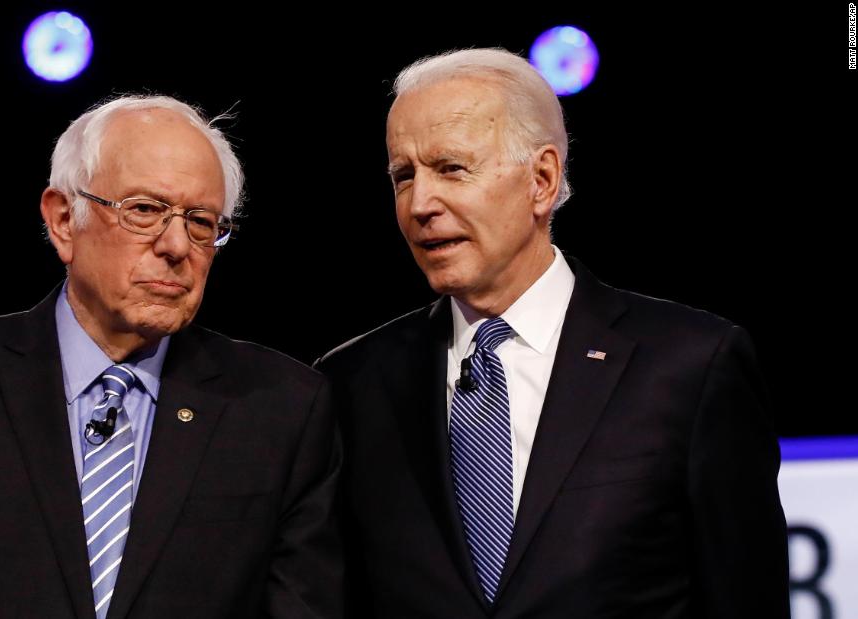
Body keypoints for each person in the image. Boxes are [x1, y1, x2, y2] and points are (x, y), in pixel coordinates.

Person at [316, 48, 789, 618]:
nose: (420, 204)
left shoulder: (691, 366)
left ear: (541, 180)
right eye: (403, 176)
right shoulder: (349, 384)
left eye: (451, 169)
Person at [0, 94, 342, 619]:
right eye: (145, 210)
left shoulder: (282, 408)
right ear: (62, 221)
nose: (176, 245)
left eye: (201, 222)